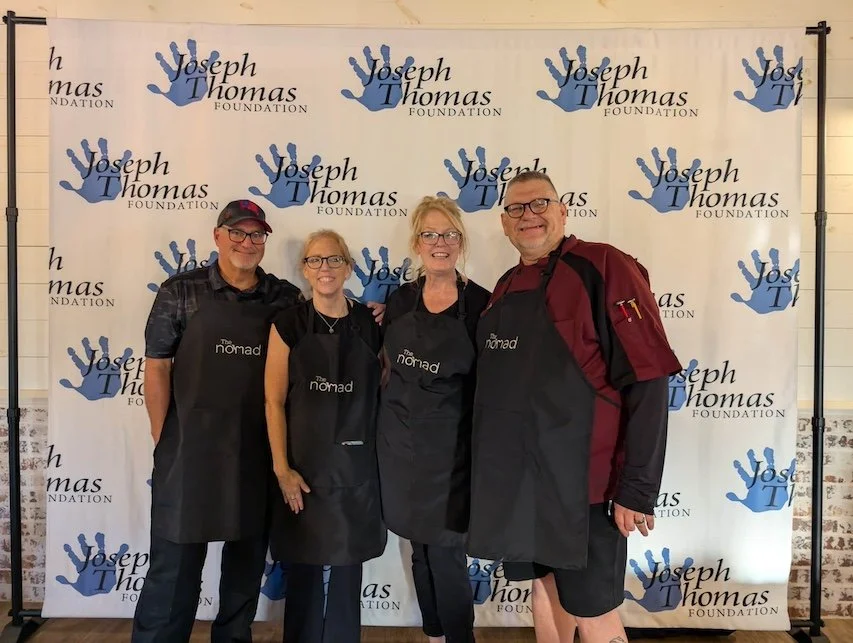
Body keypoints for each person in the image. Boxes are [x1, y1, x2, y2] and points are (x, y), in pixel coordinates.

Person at [467, 171, 682, 643]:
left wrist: (637, 488)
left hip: (586, 489)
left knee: (594, 611)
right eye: (517, 208)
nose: (529, 215)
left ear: (563, 211)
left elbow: (647, 379)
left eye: (539, 203)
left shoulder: (603, 266)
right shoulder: (504, 287)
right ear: (504, 223)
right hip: (521, 486)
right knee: (544, 592)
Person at [132, 199, 304, 643]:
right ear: (218, 237)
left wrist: (372, 313)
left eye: (256, 235)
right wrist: (163, 436)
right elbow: (158, 366)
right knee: (173, 572)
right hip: (190, 451)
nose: (247, 243)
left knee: (245, 570)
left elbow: (322, 328)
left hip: (256, 452)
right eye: (237, 233)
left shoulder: (283, 298)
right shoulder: (180, 292)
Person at [264, 229, 387, 643]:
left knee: (349, 568)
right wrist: (282, 468)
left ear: (349, 267)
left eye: (334, 260)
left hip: (356, 471)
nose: (325, 268)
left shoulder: (370, 324)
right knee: (303, 565)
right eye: (315, 260)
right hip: (304, 471)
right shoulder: (288, 324)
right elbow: (273, 400)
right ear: (304, 269)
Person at [377, 196, 491, 643]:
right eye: (430, 234)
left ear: (460, 242)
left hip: (453, 454)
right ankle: (433, 634)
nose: (439, 243)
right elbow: (387, 366)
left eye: (448, 234)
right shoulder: (400, 300)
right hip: (402, 448)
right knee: (419, 551)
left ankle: (460, 638)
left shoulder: (481, 302)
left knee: (446, 554)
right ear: (416, 242)